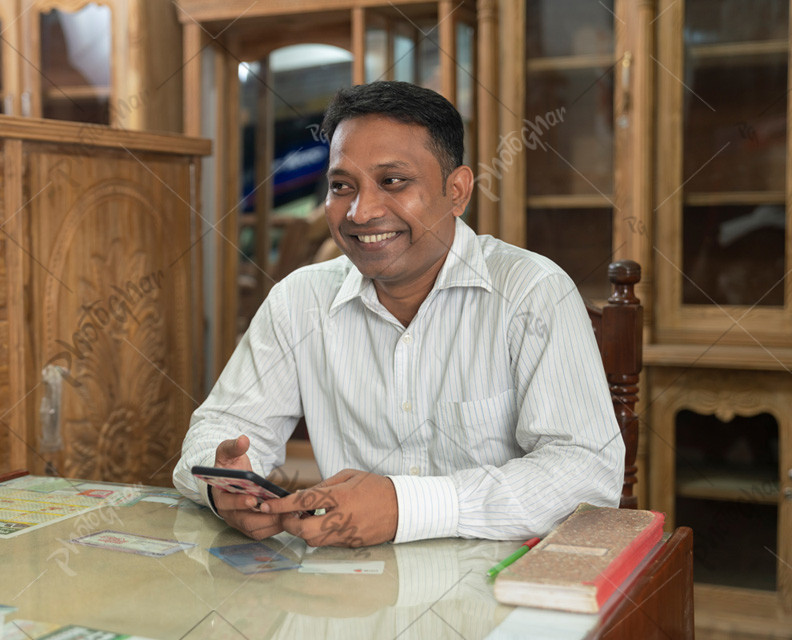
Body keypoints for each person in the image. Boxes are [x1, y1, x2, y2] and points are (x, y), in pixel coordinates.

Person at [173, 80, 623, 548]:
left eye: (392, 182)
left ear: (457, 191)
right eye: (342, 186)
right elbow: (219, 428)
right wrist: (220, 486)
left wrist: (404, 506)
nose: (361, 212)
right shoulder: (299, 300)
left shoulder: (531, 292)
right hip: (353, 589)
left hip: (498, 587)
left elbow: (587, 472)